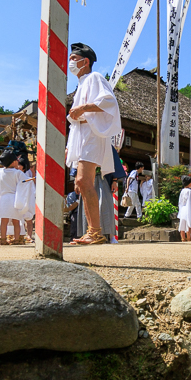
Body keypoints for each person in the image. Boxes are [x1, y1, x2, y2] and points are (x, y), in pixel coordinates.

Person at [66, 42, 123, 244]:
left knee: (84, 182)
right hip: (81, 137)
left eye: (74, 58)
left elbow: (109, 102)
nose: (70, 62)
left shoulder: (95, 77)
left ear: (85, 61)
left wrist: (83, 108)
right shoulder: (81, 84)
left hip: (92, 136)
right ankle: (94, 232)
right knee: (82, 184)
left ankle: (95, 231)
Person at [177, 175, 191, 242]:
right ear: (189, 183)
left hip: (182, 209)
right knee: (188, 224)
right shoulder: (190, 191)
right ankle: (188, 238)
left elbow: (180, 202)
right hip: (188, 209)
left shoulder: (182, 191)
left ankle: (183, 239)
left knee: (182, 225)